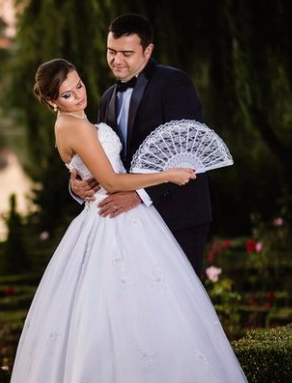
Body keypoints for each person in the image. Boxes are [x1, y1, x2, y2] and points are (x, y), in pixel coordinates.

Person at [0, 59, 256, 383]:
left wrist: (72, 182)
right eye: (66, 93)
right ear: (49, 101)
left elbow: (83, 177)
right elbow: (114, 181)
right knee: (120, 323)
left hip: (116, 222)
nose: (79, 95)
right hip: (113, 223)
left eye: (79, 85)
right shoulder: (74, 127)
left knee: (144, 320)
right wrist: (169, 176)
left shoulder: (81, 118)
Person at [71, 14, 211, 275]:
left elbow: (187, 152)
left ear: (147, 51)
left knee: (180, 304)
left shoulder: (174, 83)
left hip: (177, 214)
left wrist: (138, 195)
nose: (116, 60)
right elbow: (106, 159)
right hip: (129, 225)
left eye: (126, 53)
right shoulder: (106, 99)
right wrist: (77, 183)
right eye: (111, 51)